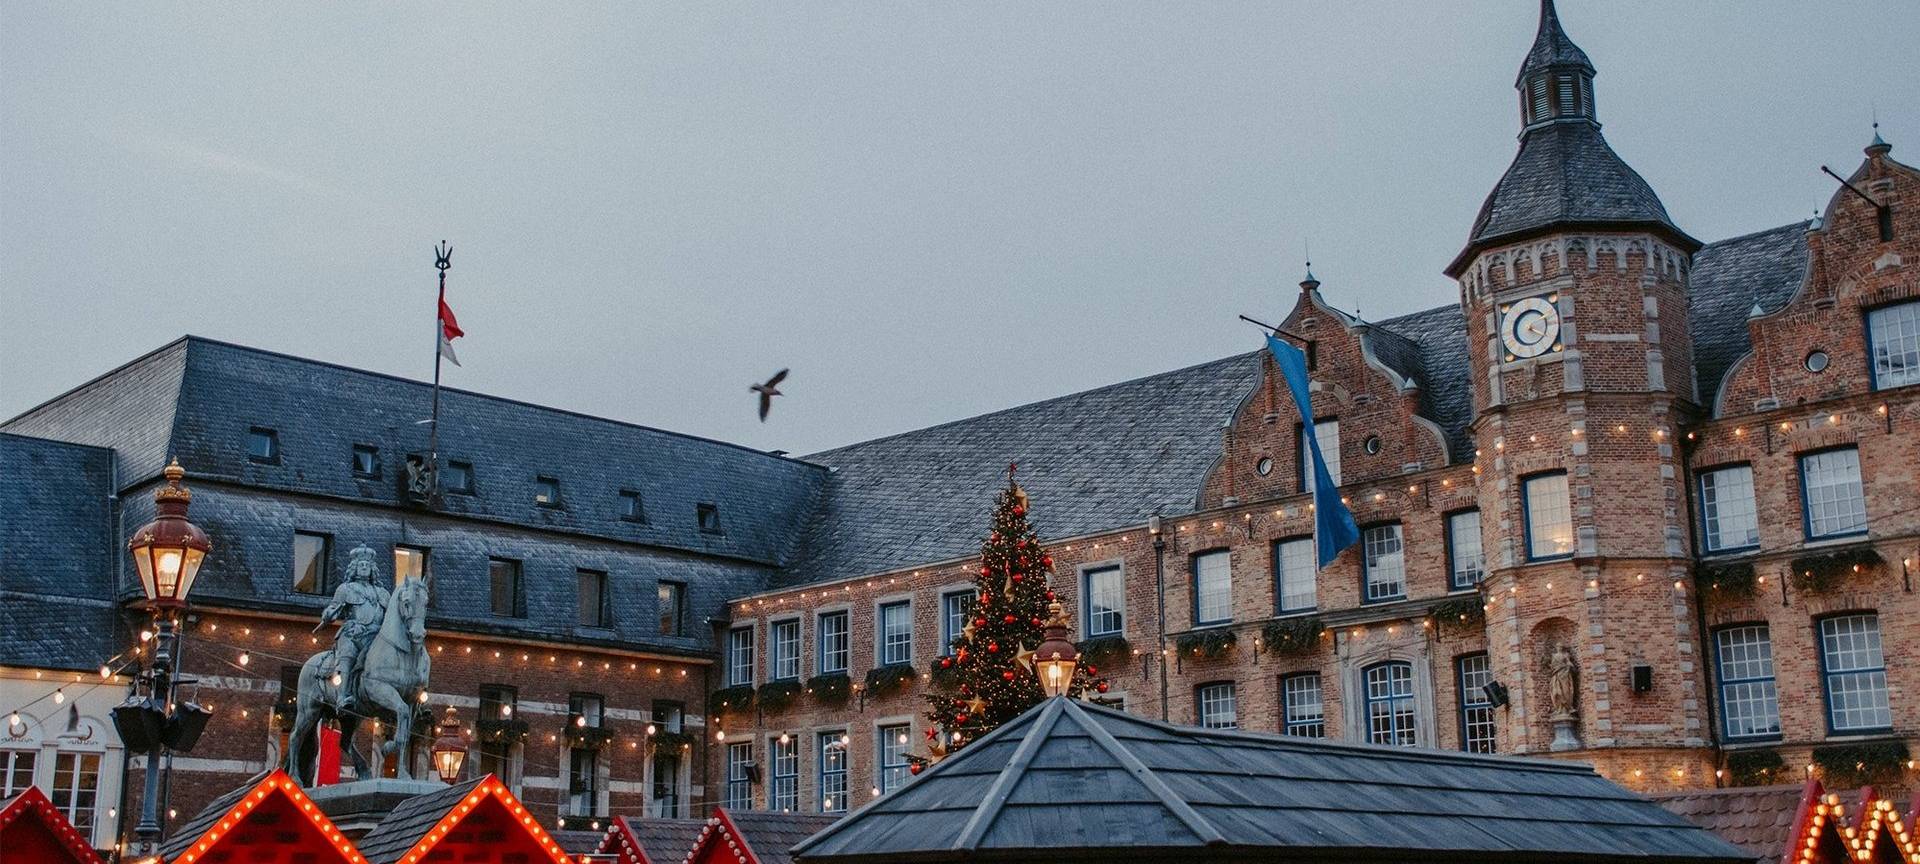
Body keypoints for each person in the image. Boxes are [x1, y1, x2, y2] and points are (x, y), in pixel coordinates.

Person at [316, 544, 391, 710]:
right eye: (360, 564)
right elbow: (332, 610)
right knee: (348, 655)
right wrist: (328, 614)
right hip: (353, 633)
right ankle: (343, 695)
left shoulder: (383, 593)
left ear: (373, 568)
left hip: (376, 636)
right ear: (354, 568)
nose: (364, 567)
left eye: (367, 564)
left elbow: (390, 618)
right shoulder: (345, 589)